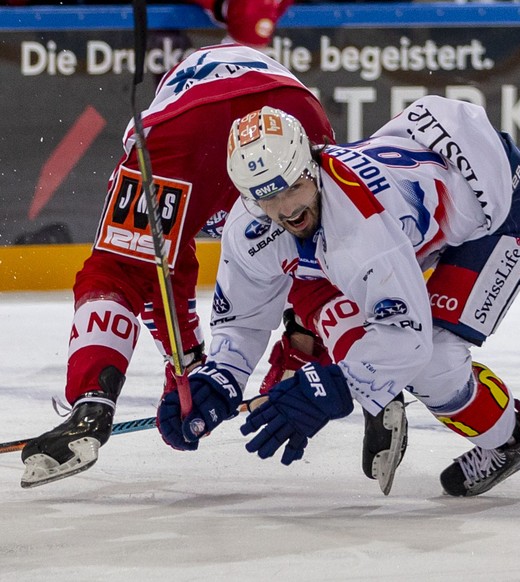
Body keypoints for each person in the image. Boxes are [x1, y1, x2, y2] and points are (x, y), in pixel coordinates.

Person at [153, 43, 520, 496]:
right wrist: (219, 379)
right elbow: (244, 317)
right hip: (447, 189)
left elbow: (405, 342)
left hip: (503, 213)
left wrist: (330, 386)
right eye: (265, 197)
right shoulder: (255, 225)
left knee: (437, 357)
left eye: (292, 189)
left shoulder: (363, 229)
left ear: (313, 161)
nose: (285, 210)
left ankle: (511, 441)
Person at [19, 42, 336, 488]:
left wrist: (185, 367)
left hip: (182, 128)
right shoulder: (263, 84)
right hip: (290, 110)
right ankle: (302, 364)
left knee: (118, 269)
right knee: (319, 243)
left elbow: (162, 277)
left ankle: (92, 404)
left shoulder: (170, 118)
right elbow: (321, 263)